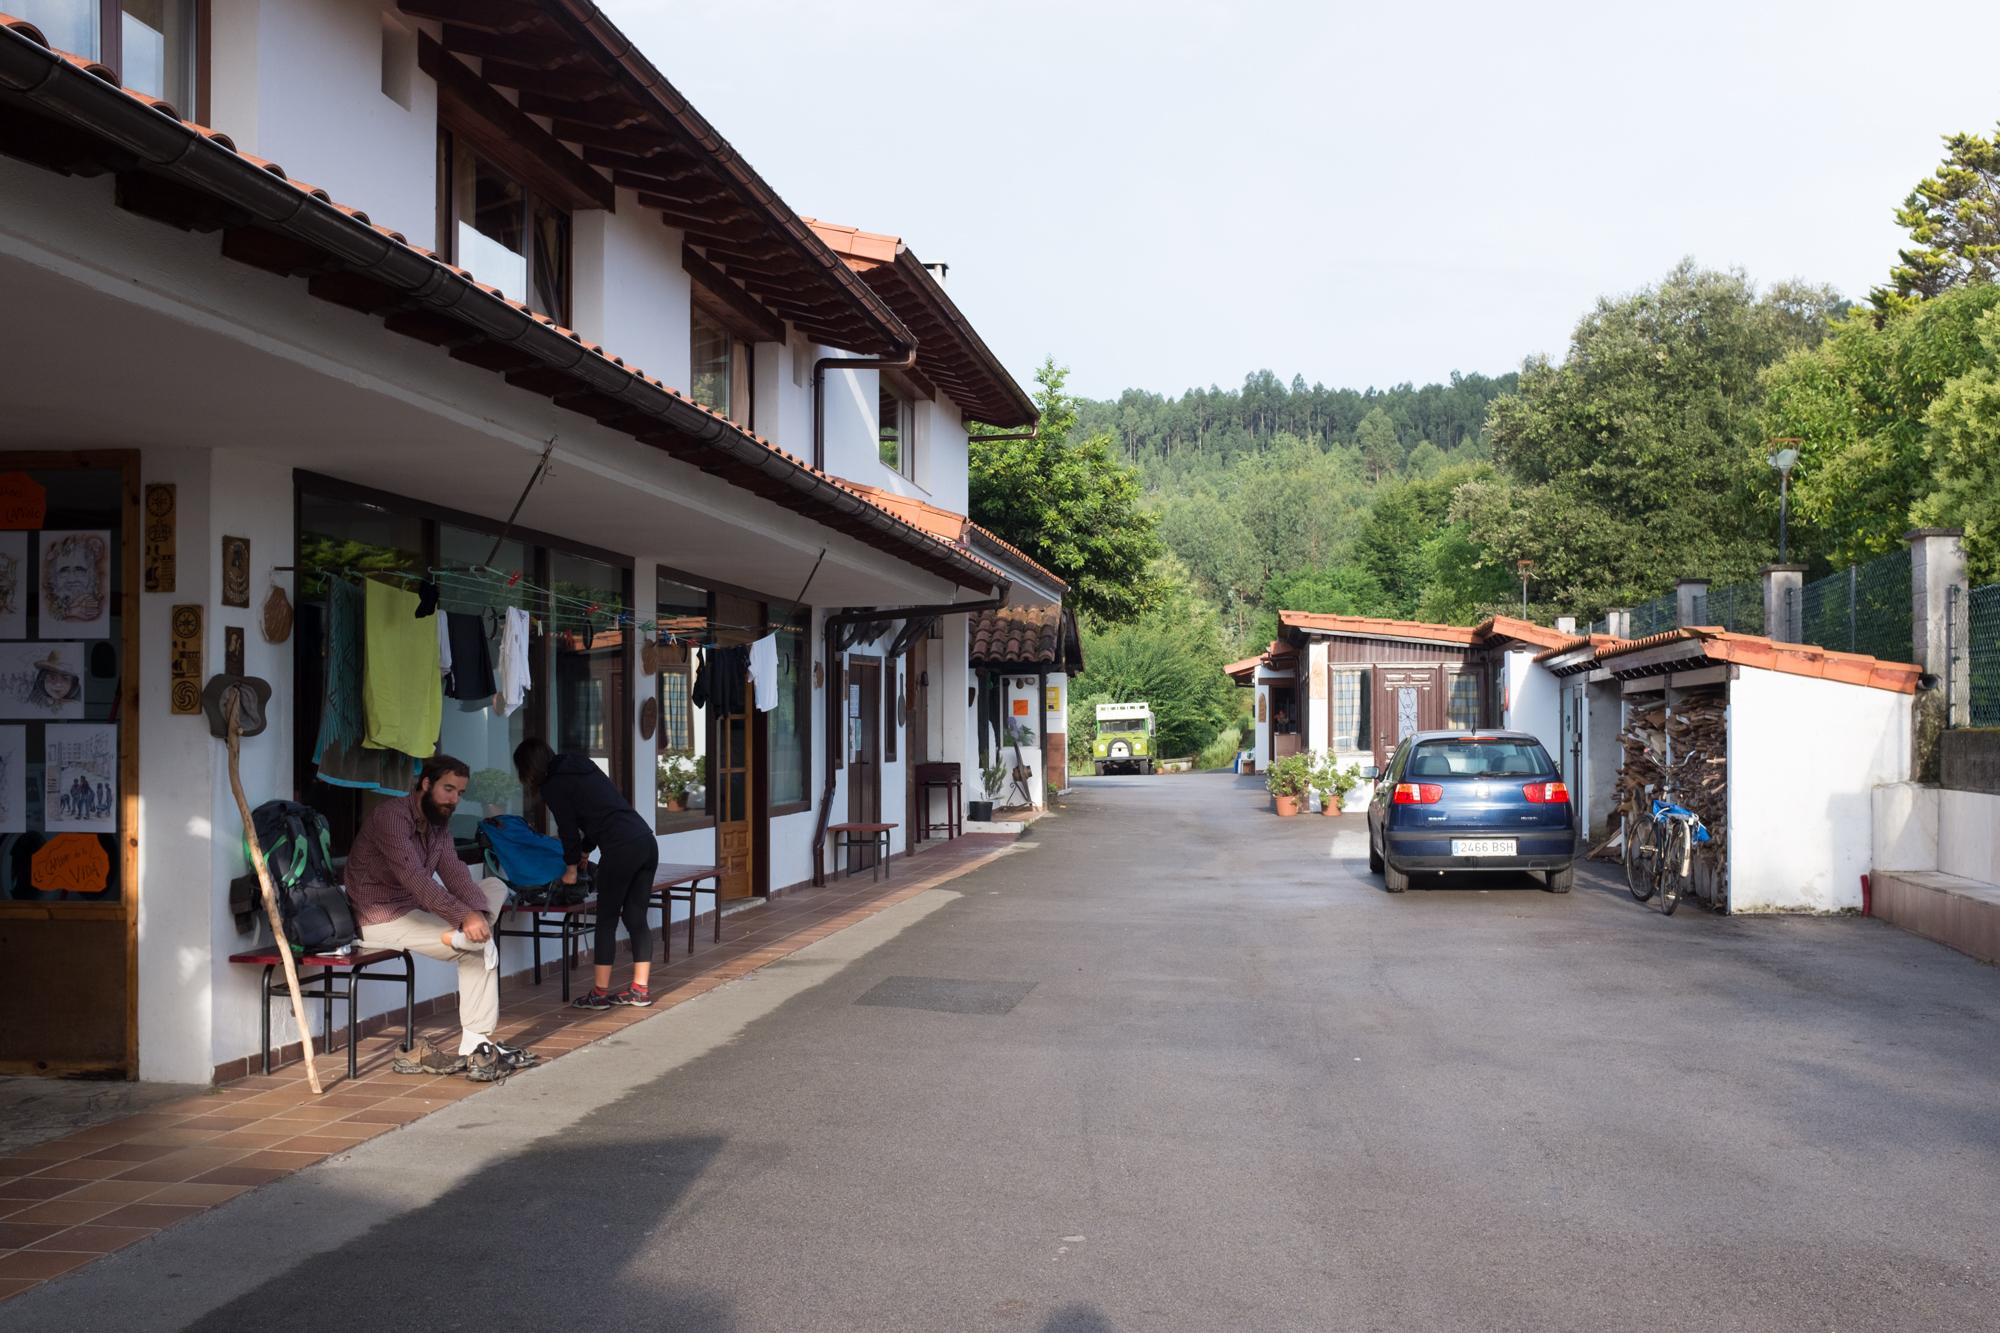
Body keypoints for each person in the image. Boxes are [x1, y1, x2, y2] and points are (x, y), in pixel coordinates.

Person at [345, 754, 536, 1080]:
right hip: (379, 917)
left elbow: (455, 874)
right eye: (448, 789)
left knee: (492, 886)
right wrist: (463, 916)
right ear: (425, 784)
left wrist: (473, 915)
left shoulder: (439, 826)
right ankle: (478, 1045)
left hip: (414, 911)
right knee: (479, 950)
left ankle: (470, 936)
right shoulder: (391, 817)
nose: (454, 799)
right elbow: (415, 878)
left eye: (460, 792)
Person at [513, 738, 659, 1010]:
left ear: (528, 768)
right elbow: (602, 810)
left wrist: (570, 868)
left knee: (606, 919)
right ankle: (640, 989)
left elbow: (568, 829)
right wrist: (586, 851)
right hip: (645, 840)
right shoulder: (582, 766)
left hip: (620, 848)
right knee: (635, 916)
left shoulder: (552, 785)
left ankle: (599, 994)